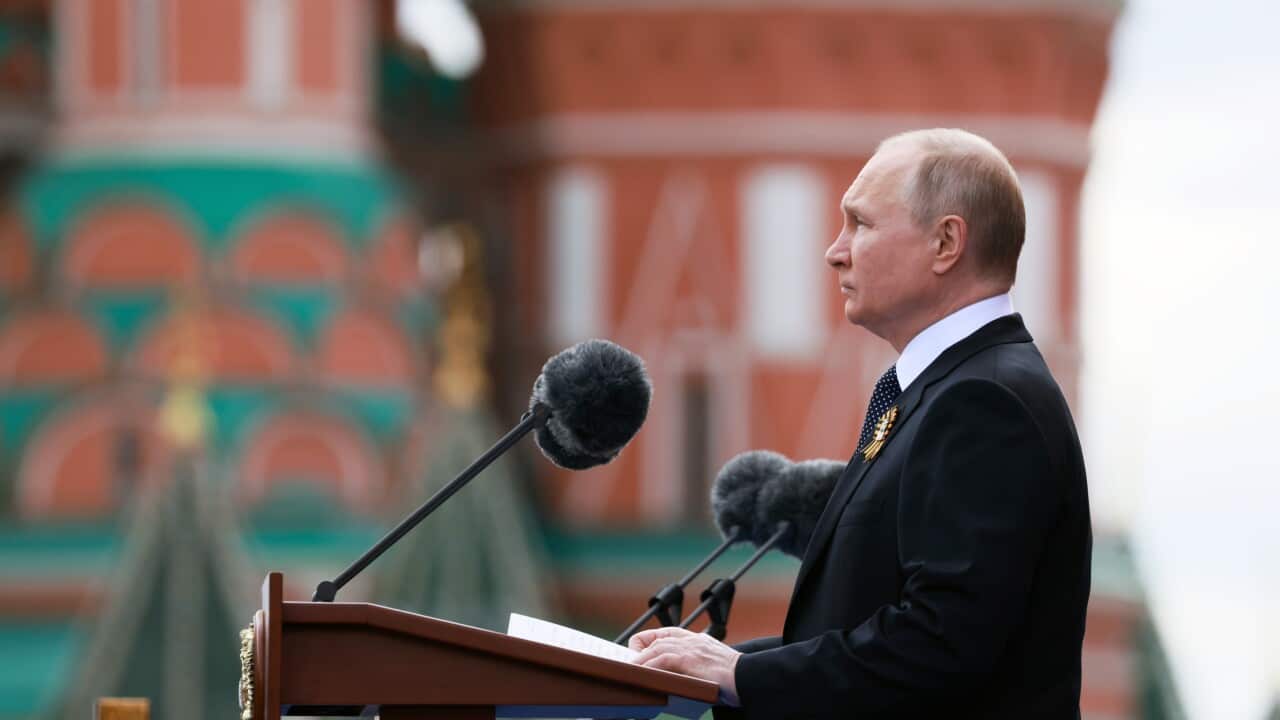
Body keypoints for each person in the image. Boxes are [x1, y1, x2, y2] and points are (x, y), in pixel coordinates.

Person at [629, 128, 1091, 719]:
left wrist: (742, 674)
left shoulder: (983, 400)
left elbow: (938, 645)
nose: (835, 250)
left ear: (946, 242)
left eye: (861, 224)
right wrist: (708, 664)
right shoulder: (946, 388)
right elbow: (868, 629)